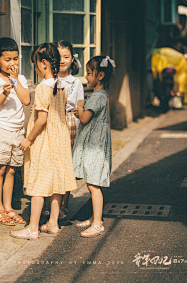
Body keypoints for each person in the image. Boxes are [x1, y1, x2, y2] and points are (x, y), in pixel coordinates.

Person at [10, 43, 77, 240]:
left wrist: (28, 139)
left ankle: (32, 228)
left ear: (44, 63)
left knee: (39, 183)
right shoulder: (61, 85)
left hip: (44, 140)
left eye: (36, 64)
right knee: (56, 182)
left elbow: (42, 119)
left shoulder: (41, 88)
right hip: (60, 139)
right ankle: (53, 223)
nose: (35, 68)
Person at [0, 37, 31, 226]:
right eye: (7, 60)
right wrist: (4, 93)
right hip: (0, 129)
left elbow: (26, 100)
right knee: (0, 168)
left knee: (12, 170)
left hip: (17, 131)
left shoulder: (20, 79)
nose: (12, 63)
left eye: (15, 59)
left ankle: (8, 207)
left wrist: (15, 81)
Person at [72, 55, 115, 237]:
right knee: (92, 183)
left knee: (93, 185)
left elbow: (84, 119)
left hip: (95, 146)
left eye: (89, 73)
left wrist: (80, 107)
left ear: (100, 76)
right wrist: (81, 111)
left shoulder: (97, 97)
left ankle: (97, 224)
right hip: (95, 144)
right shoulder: (100, 96)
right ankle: (94, 217)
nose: (86, 77)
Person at [42, 40, 84, 221]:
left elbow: (81, 106)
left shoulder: (76, 82)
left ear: (72, 59)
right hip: (51, 123)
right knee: (50, 164)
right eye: (58, 57)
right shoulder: (49, 80)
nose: (62, 60)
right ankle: (48, 205)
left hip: (70, 124)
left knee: (65, 166)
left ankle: (63, 205)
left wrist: (78, 111)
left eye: (66, 57)